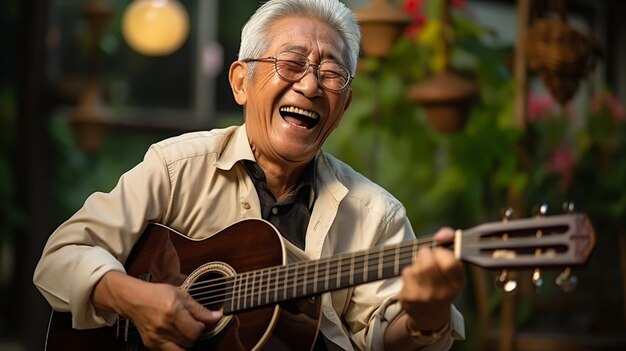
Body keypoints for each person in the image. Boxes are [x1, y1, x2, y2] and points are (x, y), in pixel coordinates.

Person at [34, 0, 465, 350]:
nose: (311, 87)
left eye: (330, 74)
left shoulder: (376, 215)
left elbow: (382, 337)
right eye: (292, 64)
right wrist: (133, 298)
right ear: (241, 82)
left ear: (344, 107)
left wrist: (423, 322)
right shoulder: (175, 168)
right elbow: (61, 257)